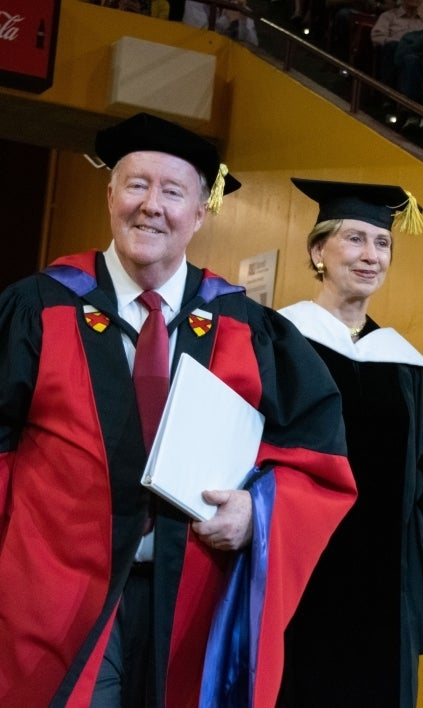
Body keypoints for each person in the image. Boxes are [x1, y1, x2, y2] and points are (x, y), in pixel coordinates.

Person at [0, 113, 357, 707]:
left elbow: (316, 460)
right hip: (56, 598)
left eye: (173, 192)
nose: (151, 206)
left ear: (199, 212)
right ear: (110, 195)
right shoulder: (38, 307)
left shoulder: (248, 326)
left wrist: (257, 512)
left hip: (194, 599)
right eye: (136, 185)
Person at [277, 179, 423, 708]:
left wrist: (422, 597)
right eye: (354, 239)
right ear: (318, 250)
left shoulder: (405, 365)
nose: (370, 256)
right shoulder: (278, 339)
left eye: (382, 244)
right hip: (296, 572)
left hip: (382, 585)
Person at [371, 0, 423, 87]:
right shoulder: (388, 16)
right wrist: (399, 44)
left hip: (416, 56)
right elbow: (377, 37)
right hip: (394, 53)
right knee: (392, 46)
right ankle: (388, 93)